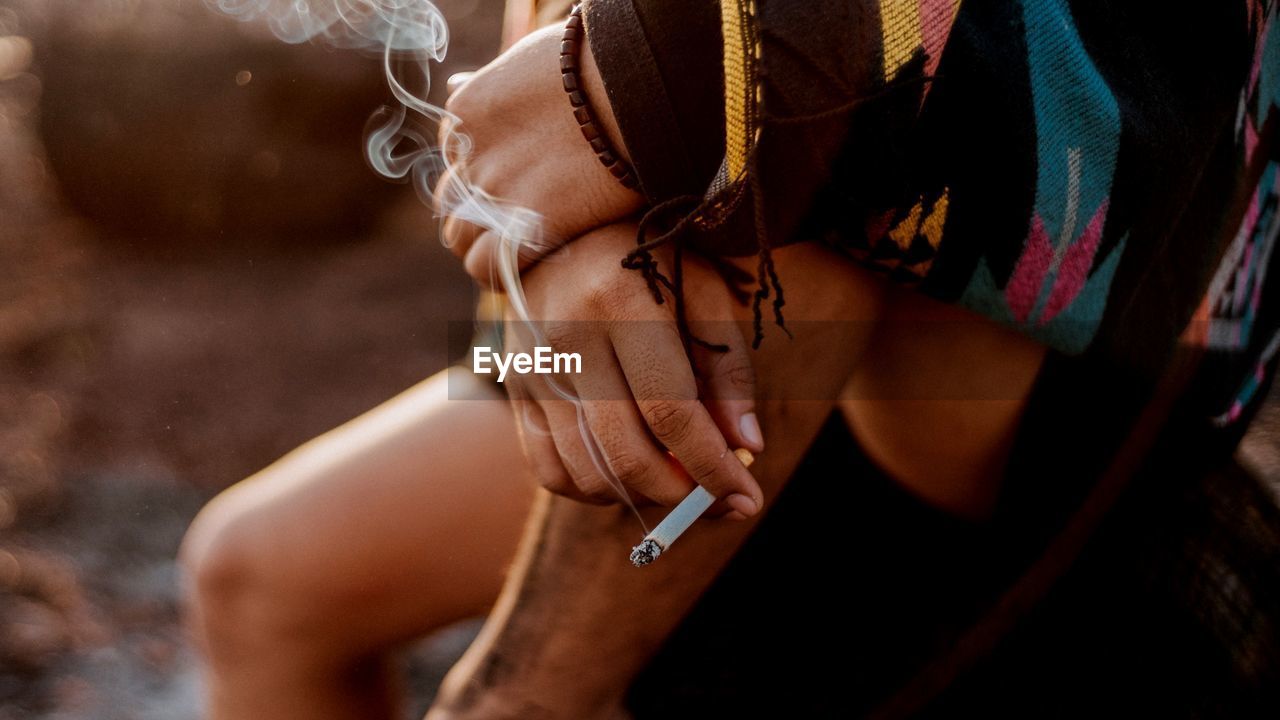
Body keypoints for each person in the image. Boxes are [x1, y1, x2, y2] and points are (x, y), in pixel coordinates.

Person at [181, 0, 1280, 717]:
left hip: (1041, 342)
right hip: (714, 326)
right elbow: (544, 110)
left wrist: (692, 87)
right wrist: (567, 249)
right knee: (254, 572)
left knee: (773, 192)